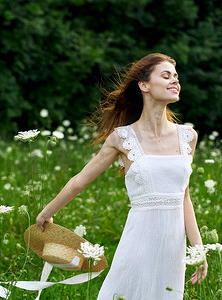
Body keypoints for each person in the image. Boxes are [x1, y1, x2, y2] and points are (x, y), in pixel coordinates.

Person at [36, 53, 208, 299]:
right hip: (138, 238)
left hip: (173, 247)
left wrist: (198, 248)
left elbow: (184, 196)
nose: (175, 81)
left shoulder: (188, 137)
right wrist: (47, 212)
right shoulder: (122, 138)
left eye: (177, 77)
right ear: (144, 85)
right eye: (166, 75)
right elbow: (79, 181)